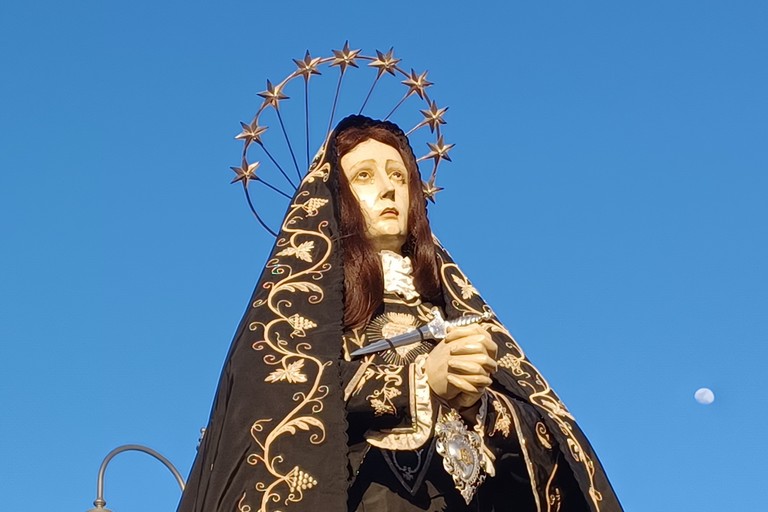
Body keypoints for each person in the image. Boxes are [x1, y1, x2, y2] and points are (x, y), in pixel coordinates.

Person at [177, 115, 622, 512]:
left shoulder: (448, 304)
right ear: (334, 195)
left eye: (399, 176)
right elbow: (280, 400)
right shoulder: (304, 312)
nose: (389, 188)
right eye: (365, 176)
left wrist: (478, 403)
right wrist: (421, 380)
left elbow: (543, 442)